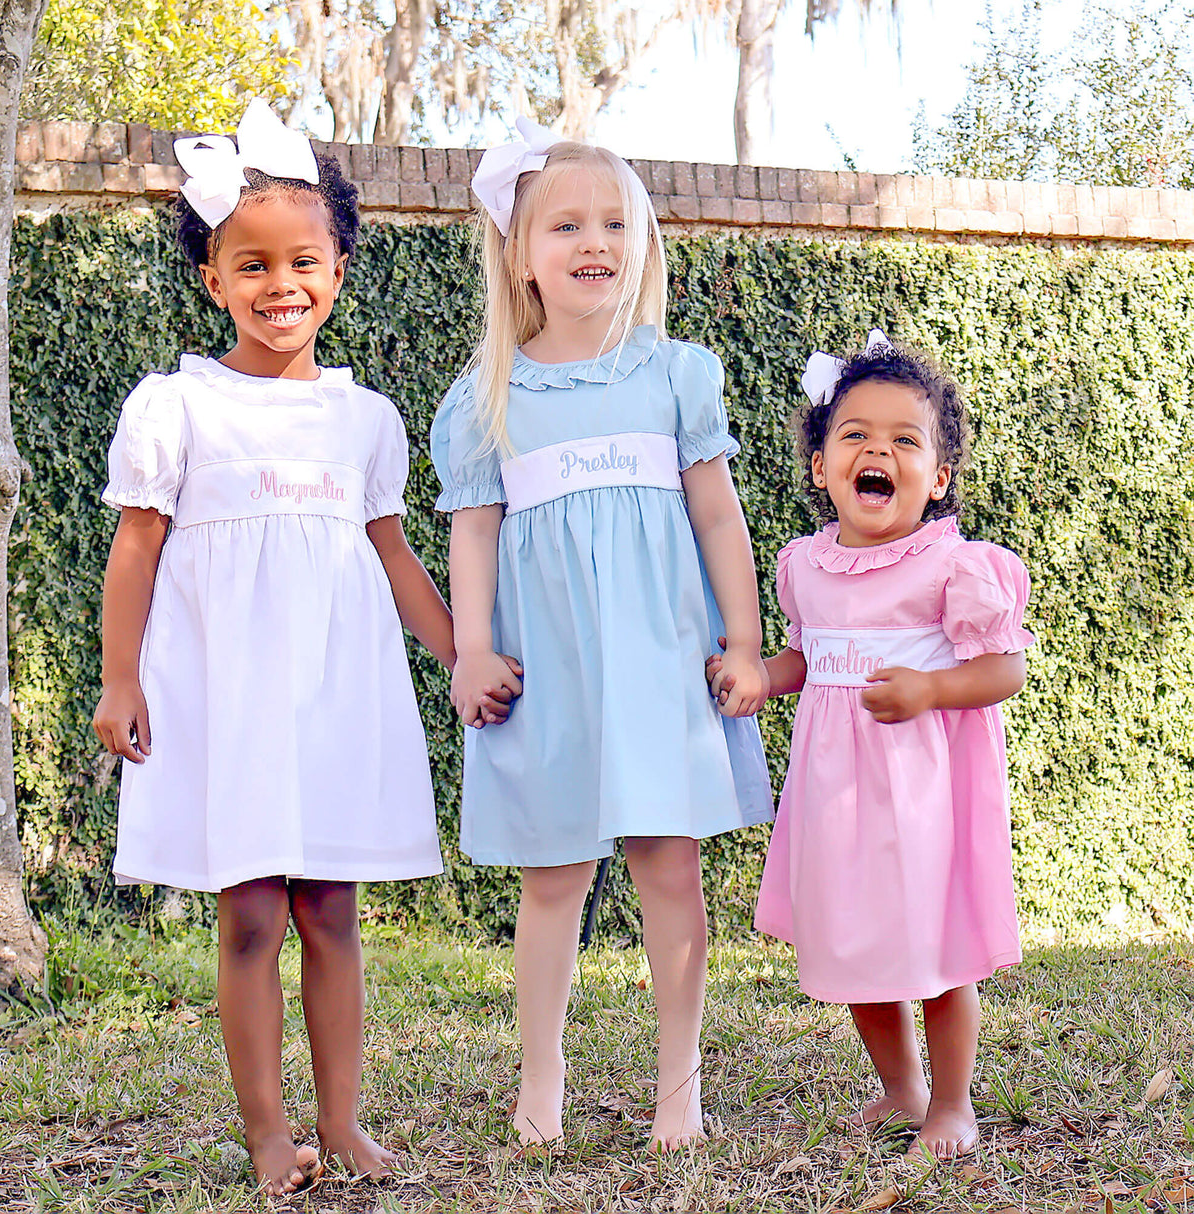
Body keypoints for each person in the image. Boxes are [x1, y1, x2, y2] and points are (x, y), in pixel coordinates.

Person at [90, 100, 505, 1195]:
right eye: (253, 264)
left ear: (338, 268)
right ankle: (270, 1132)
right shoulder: (176, 406)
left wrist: (461, 651)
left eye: (303, 262)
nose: (281, 284)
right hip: (228, 695)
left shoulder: (362, 417)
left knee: (330, 908)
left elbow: (392, 553)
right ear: (214, 279)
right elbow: (136, 548)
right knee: (252, 910)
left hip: (331, 692)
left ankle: (342, 1118)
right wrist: (119, 676)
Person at [430, 119, 773, 1151]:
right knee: (553, 878)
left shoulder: (674, 375)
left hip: (661, 664)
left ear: (643, 241)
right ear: (519, 255)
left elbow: (718, 517)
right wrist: (472, 649)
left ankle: (682, 1085)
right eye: (568, 223)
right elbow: (474, 537)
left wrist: (745, 641)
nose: (596, 240)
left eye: (616, 221)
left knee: (668, 864)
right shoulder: (487, 397)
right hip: (551, 674)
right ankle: (542, 1077)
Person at [712, 331, 1032, 1160]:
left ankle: (952, 1103)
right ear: (821, 465)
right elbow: (807, 658)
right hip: (835, 799)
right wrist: (759, 678)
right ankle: (901, 1087)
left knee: (935, 950)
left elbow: (1004, 669)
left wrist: (931, 687)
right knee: (852, 947)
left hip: (922, 796)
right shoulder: (805, 567)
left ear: (938, 476)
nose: (877, 451)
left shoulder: (952, 567)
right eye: (854, 435)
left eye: (903, 440)